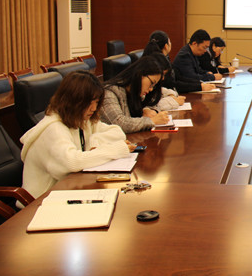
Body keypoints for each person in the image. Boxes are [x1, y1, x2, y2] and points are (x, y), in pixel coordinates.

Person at [19, 71, 133, 200]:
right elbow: (72, 162)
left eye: (96, 102)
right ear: (74, 100)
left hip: (65, 191)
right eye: (90, 102)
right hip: (40, 201)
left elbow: (118, 132)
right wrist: (115, 150)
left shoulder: (79, 119)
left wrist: (94, 141)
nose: (94, 108)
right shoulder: (53, 129)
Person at [100, 54, 171, 133]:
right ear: (140, 75)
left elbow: (153, 102)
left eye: (153, 86)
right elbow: (119, 123)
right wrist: (152, 121)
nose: (151, 89)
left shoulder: (135, 92)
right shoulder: (109, 92)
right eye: (151, 83)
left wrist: (148, 110)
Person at [143, 30, 216, 95]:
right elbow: (172, 84)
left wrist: (200, 84)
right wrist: (199, 86)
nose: (205, 50)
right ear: (166, 46)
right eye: (170, 42)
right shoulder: (158, 62)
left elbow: (178, 77)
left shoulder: (163, 58)